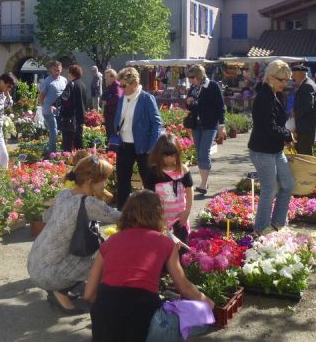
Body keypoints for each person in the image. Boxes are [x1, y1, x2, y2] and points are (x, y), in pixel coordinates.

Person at [85, 190, 213, 342]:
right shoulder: (165, 243)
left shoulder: (110, 242)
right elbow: (184, 287)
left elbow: (89, 294)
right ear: (158, 214)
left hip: (103, 326)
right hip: (143, 322)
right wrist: (208, 303)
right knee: (203, 315)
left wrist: (112, 310)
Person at [27, 154, 120, 315]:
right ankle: (61, 292)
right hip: (48, 274)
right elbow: (118, 217)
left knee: (86, 245)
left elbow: (46, 217)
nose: (106, 184)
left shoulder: (64, 194)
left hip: (35, 263)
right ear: (90, 182)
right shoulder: (88, 203)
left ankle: (60, 286)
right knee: (104, 254)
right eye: (104, 180)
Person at [248, 59, 295, 236]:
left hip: (274, 150)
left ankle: (277, 223)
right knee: (269, 190)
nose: (285, 83)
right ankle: (261, 228)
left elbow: (275, 124)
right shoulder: (264, 97)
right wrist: (287, 135)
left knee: (288, 185)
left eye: (287, 80)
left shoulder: (274, 94)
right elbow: (269, 126)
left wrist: (285, 136)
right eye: (282, 80)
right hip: (262, 151)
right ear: (270, 78)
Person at [113, 67, 162, 209]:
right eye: (120, 86)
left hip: (143, 147)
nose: (121, 89)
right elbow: (118, 118)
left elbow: (157, 123)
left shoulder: (146, 98)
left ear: (134, 83)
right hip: (124, 145)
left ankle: (153, 210)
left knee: (148, 181)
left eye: (124, 86)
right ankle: (122, 211)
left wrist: (152, 147)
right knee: (122, 180)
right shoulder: (122, 98)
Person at [185, 64, 226, 197]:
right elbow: (190, 107)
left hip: (210, 125)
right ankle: (204, 182)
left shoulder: (212, 86)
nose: (190, 80)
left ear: (199, 76)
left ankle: (203, 184)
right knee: (199, 153)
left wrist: (221, 125)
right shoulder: (193, 88)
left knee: (204, 153)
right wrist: (188, 102)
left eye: (192, 77)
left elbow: (221, 106)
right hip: (196, 125)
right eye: (189, 78)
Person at [150, 133, 193, 243]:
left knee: (182, 245)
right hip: (161, 218)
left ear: (177, 154)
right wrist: (155, 216)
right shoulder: (154, 172)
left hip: (180, 217)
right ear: (158, 155)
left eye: (172, 156)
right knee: (163, 246)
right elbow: (149, 196)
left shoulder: (183, 170)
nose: (169, 159)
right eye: (165, 156)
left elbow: (189, 191)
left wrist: (187, 211)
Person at [37, 61, 68, 157]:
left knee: (60, 131)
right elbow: (41, 96)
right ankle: (52, 154)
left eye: (58, 70)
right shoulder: (47, 81)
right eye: (55, 70)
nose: (56, 72)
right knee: (53, 131)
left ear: (61, 69)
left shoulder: (64, 80)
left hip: (60, 110)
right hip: (49, 111)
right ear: (51, 70)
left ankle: (57, 150)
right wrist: (45, 106)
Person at [291, 64, 316, 156]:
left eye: (294, 74)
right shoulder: (308, 83)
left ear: (301, 74)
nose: (292, 77)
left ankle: (309, 166)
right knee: (305, 152)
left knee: (305, 154)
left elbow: (308, 105)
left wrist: (295, 113)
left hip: (306, 127)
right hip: (307, 126)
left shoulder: (307, 85)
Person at [58, 64, 87, 151]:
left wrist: (54, 104)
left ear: (72, 74)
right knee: (78, 142)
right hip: (80, 117)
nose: (68, 75)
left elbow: (64, 97)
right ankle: (80, 158)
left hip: (70, 117)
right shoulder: (83, 85)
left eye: (69, 73)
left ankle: (67, 158)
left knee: (67, 143)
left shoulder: (71, 84)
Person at [101, 69, 122, 141]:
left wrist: (107, 102)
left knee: (112, 134)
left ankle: (112, 146)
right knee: (109, 133)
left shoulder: (116, 85)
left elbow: (118, 97)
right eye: (105, 77)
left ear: (113, 77)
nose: (105, 79)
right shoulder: (110, 86)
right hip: (109, 114)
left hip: (113, 115)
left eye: (107, 77)